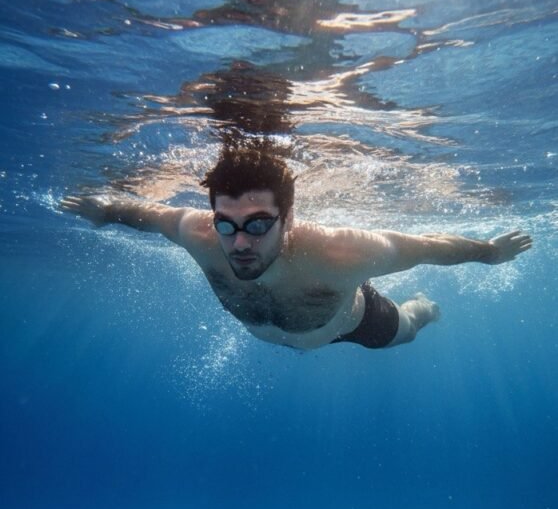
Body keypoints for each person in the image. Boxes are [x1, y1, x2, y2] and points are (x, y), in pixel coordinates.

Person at [60, 144, 532, 352]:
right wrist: (106, 209)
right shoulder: (198, 234)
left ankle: (423, 307)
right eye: (226, 224)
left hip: (350, 323)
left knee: (406, 331)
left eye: (258, 224)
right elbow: (144, 215)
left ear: (289, 218)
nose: (239, 243)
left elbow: (430, 246)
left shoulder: (340, 252)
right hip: (287, 331)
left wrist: (488, 252)